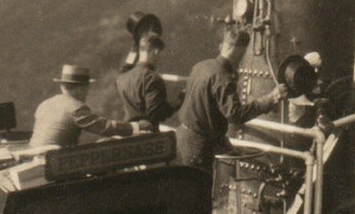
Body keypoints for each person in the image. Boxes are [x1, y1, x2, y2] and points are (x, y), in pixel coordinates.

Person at [178, 27, 289, 169]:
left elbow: (203, 109)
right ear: (239, 52)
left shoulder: (200, 66)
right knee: (201, 188)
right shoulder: (223, 78)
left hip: (183, 138)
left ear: (222, 46)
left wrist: (222, 141)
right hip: (199, 147)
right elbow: (236, 115)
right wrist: (271, 98)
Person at [29, 65, 145, 148]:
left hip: (36, 157)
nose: (88, 92)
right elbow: (104, 127)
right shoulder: (75, 108)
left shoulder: (44, 105)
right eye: (87, 88)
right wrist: (137, 127)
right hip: (55, 163)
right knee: (107, 144)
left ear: (62, 86)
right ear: (80, 89)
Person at [116, 34, 180, 129]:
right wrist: (180, 100)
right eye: (161, 54)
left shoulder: (121, 78)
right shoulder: (153, 78)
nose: (161, 59)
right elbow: (157, 114)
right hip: (148, 137)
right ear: (156, 51)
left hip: (128, 133)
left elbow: (125, 67)